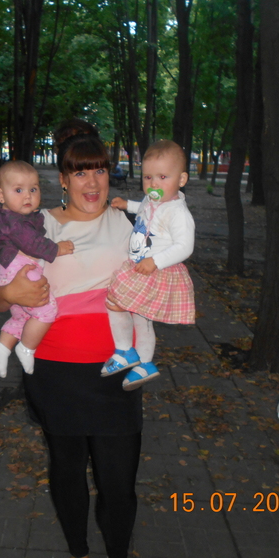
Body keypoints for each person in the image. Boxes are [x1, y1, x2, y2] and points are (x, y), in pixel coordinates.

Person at [0, 120, 140, 558]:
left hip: (116, 371)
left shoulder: (128, 223)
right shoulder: (39, 225)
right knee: (68, 470)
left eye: (100, 170)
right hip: (55, 372)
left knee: (119, 482)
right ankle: (78, 549)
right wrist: (9, 294)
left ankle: (117, 550)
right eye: (80, 172)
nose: (92, 182)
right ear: (64, 180)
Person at [102, 140, 196, 389]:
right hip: (140, 267)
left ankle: (134, 356)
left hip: (156, 271)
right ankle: (137, 359)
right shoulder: (153, 201)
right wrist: (127, 205)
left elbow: (185, 247)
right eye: (148, 177)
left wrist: (156, 261)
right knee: (132, 313)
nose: (154, 184)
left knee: (126, 309)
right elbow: (143, 207)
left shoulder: (178, 212)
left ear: (181, 179)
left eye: (163, 177)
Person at [0, 161, 74, 377]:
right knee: (46, 310)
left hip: (7, 272)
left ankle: (2, 347)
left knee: (22, 317)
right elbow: (32, 243)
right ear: (1, 195)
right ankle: (26, 348)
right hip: (19, 268)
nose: (27, 196)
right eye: (18, 190)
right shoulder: (14, 221)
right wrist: (57, 248)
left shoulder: (11, 217)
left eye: (33, 189)